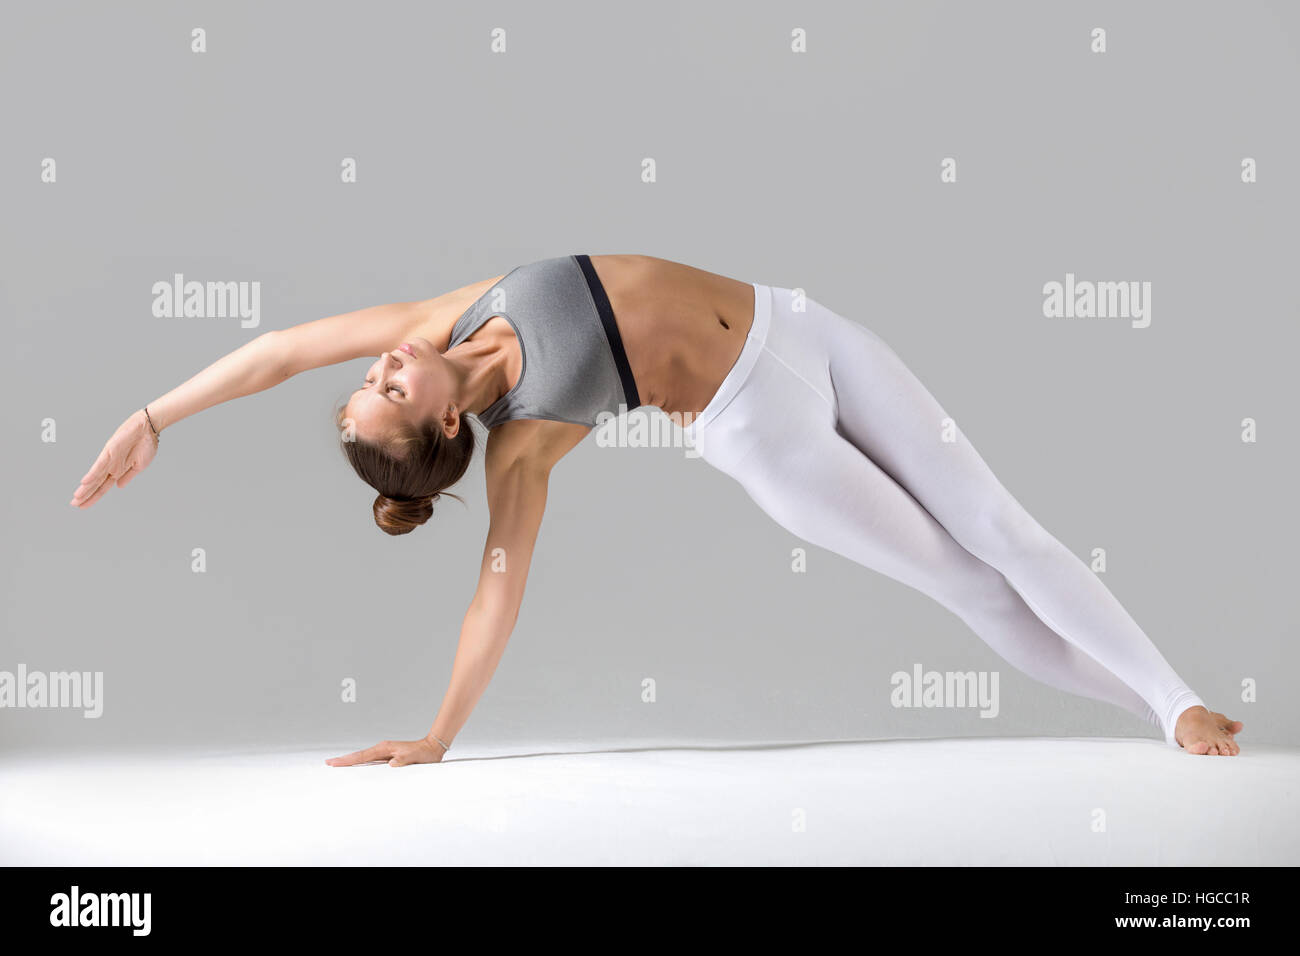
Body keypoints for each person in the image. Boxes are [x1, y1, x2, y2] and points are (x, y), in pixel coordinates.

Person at [69, 253, 1243, 765]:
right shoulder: (525, 442)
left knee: (1003, 526)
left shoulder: (444, 310)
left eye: (370, 373)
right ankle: (1159, 711)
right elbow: (498, 591)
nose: (379, 364)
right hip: (761, 434)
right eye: (387, 391)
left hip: (806, 329)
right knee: (962, 576)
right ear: (436, 429)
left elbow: (277, 347)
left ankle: (1171, 696)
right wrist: (436, 735)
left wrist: (156, 414)